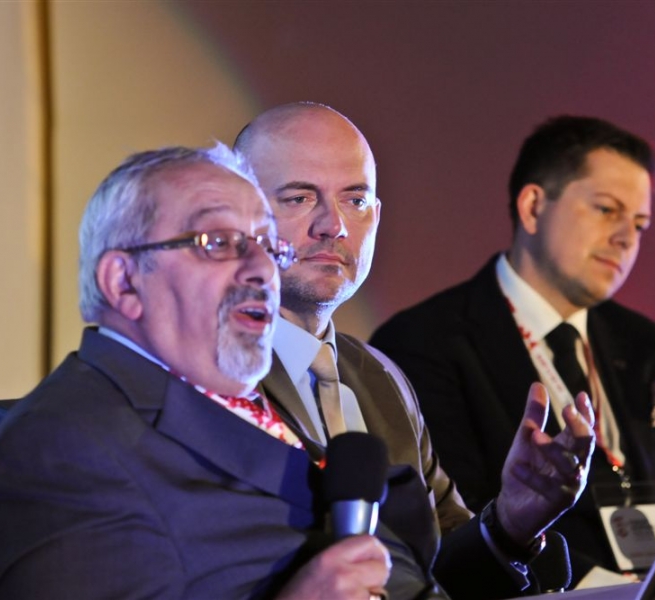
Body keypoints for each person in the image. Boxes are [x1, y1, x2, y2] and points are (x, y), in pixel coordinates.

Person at [0, 145, 430, 599]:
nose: (262, 270)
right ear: (123, 282)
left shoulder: (241, 401)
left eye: (269, 245)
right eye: (219, 243)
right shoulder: (65, 449)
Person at [370, 115, 655, 588]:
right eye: (606, 210)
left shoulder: (649, 346)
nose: (626, 238)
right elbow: (453, 523)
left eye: (640, 224)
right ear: (533, 207)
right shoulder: (425, 343)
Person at [234, 102, 597, 597]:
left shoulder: (382, 378)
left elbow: (438, 571)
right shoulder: (208, 375)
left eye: (355, 200)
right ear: (237, 212)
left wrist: (510, 524)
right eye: (299, 198)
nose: (334, 225)